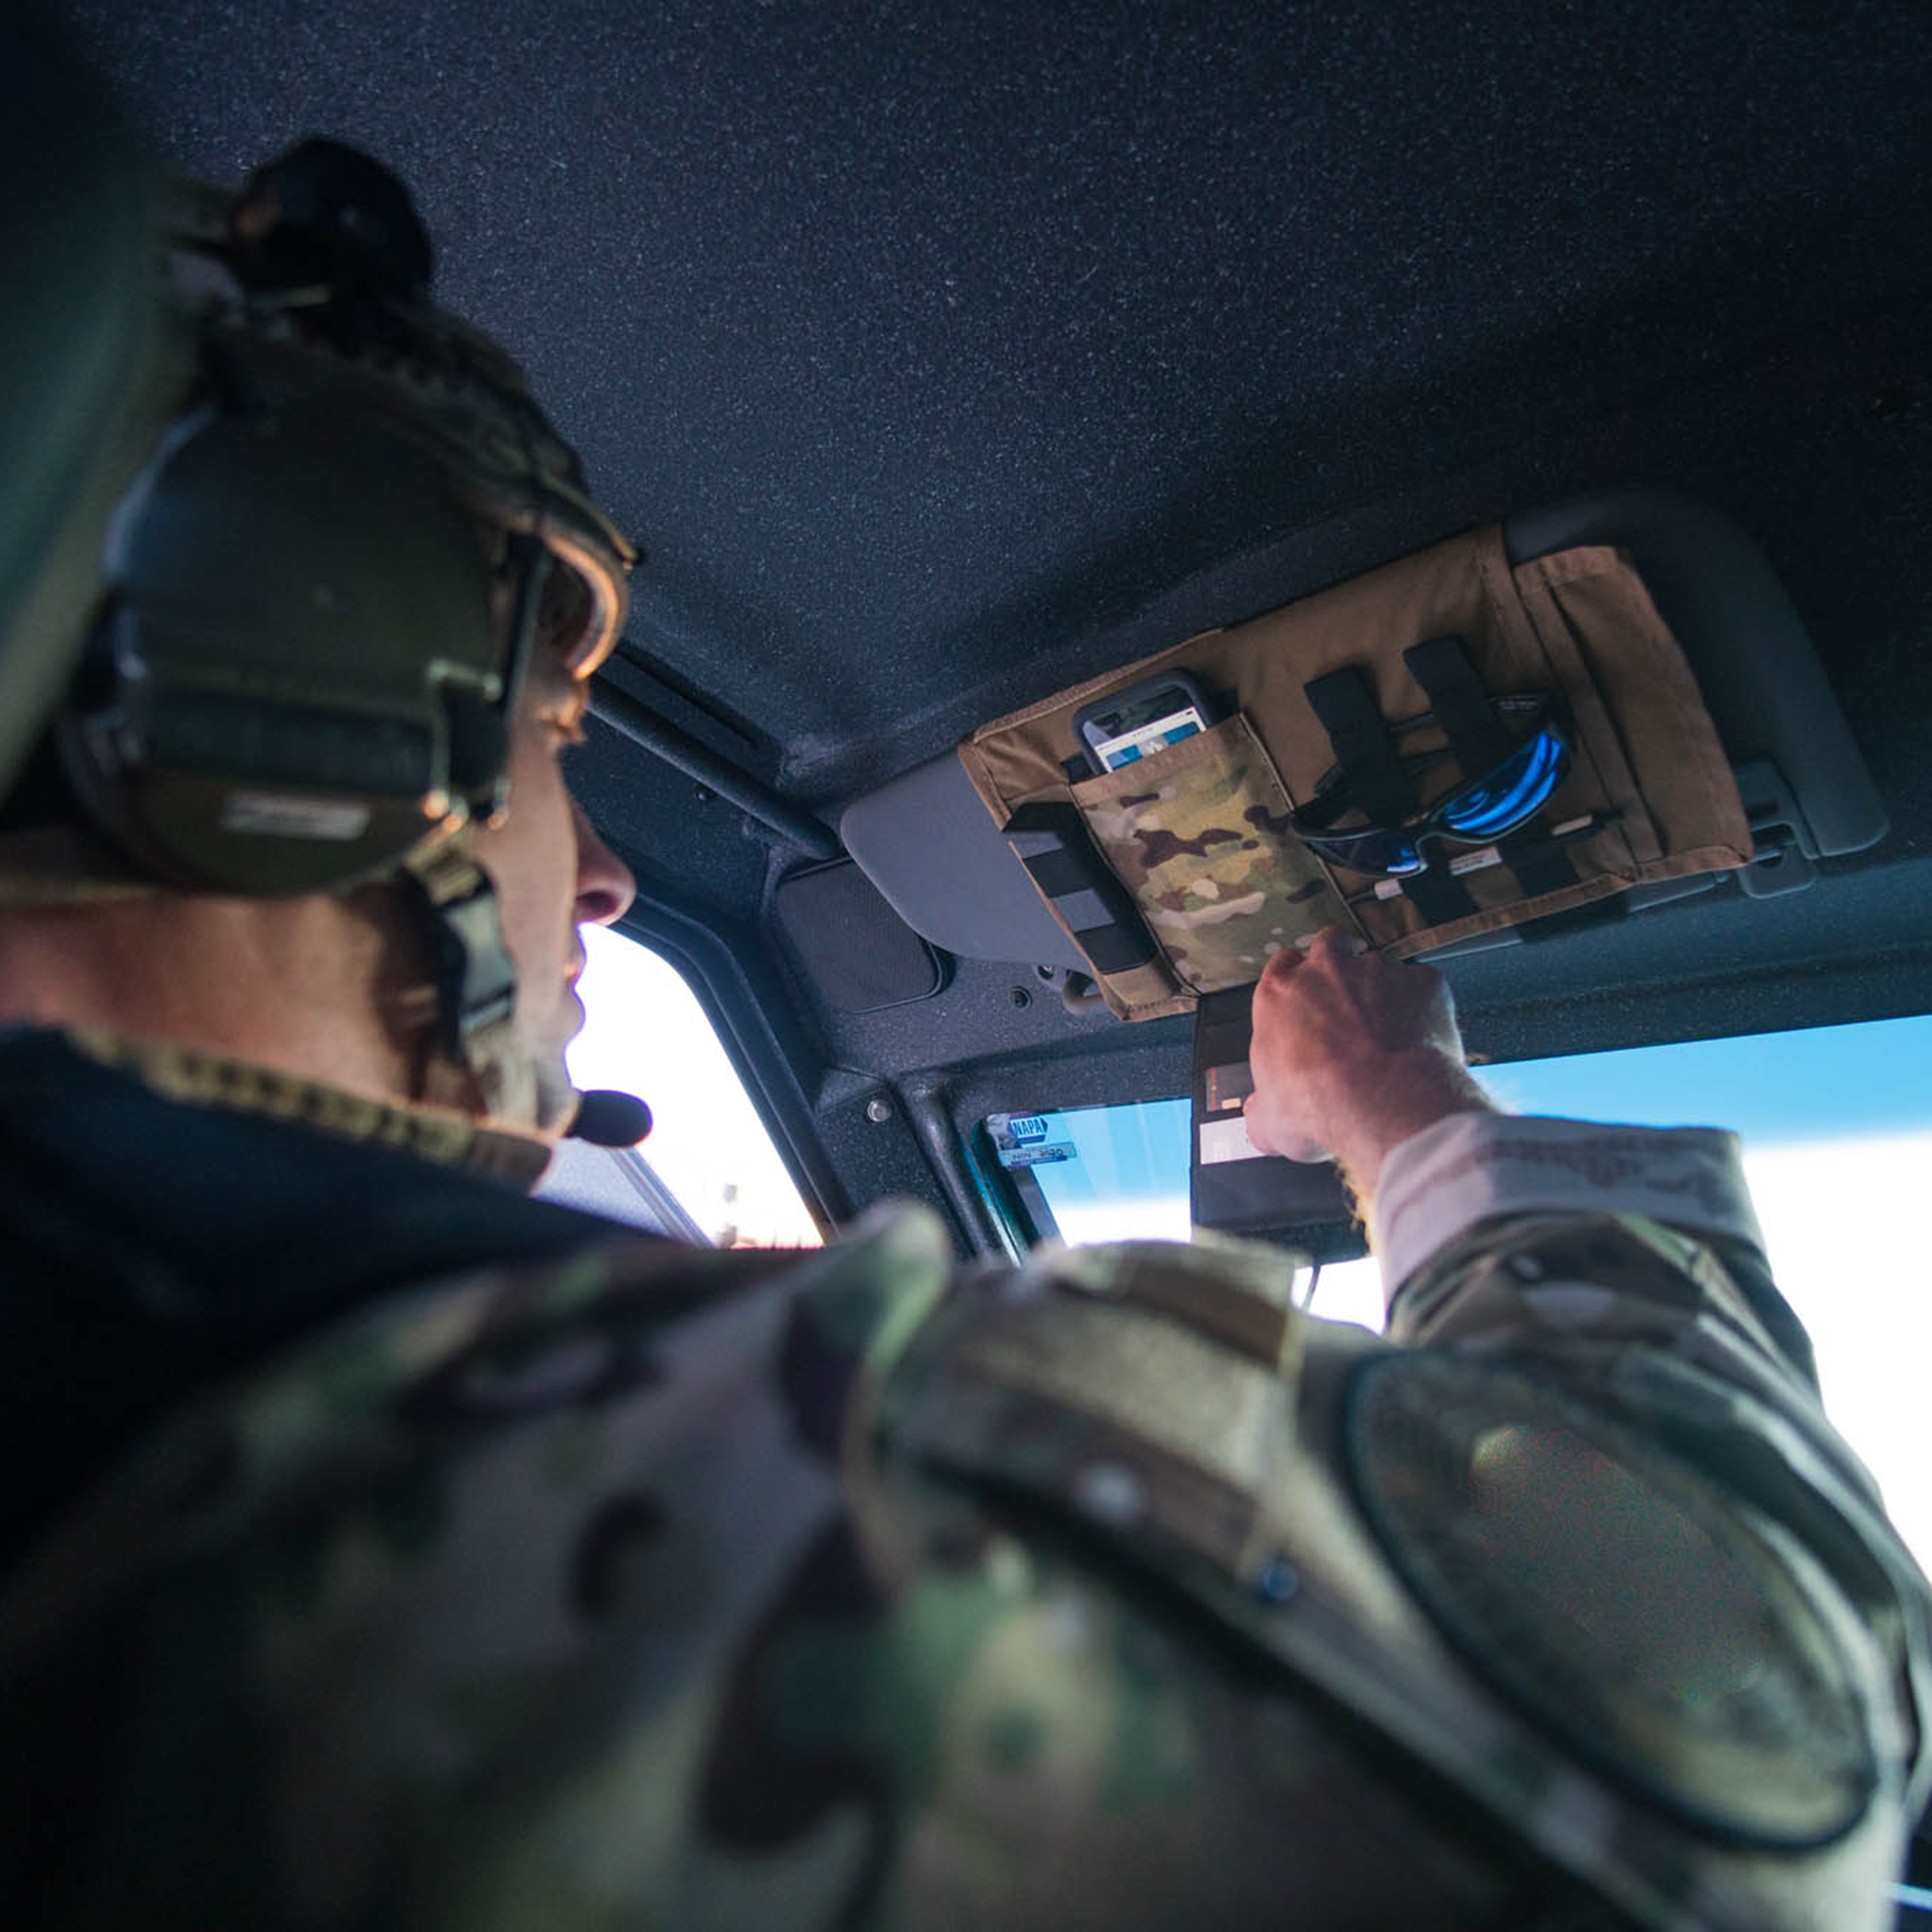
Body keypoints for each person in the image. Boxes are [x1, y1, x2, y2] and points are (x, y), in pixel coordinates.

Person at [0, 80, 1926, 1932]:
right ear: (275, 664)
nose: (596, 871)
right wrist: (1410, 1117)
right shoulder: (319, 1468)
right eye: (546, 731)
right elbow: (1742, 1755)